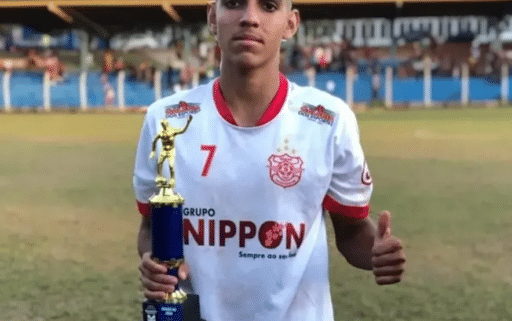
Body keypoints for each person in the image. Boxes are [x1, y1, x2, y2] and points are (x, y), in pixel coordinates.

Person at [133, 0, 406, 320]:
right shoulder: (165, 121)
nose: (250, 18)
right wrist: (155, 261)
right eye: (234, 4)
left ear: (290, 24)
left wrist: (375, 253)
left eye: (268, 6)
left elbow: (352, 232)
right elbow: (151, 227)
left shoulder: (328, 121)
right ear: (212, 16)